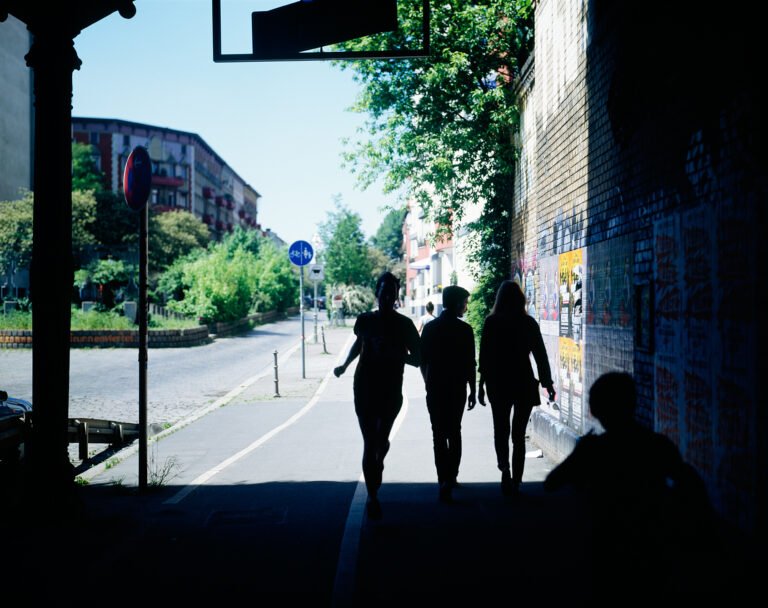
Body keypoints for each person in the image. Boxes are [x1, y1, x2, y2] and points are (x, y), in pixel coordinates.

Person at [544, 372, 719, 599]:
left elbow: (552, 483)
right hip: (652, 544)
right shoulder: (656, 444)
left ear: (596, 409)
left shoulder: (594, 450)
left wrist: (580, 452)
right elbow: (690, 482)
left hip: (605, 545)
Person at [333, 272, 421, 520]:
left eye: (392, 293)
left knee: (380, 442)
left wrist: (395, 352)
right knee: (369, 441)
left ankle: (380, 455)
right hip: (364, 386)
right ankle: (373, 496)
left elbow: (418, 358)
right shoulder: (365, 320)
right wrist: (344, 365)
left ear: (396, 296)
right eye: (384, 293)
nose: (387, 297)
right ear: (377, 293)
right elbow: (358, 344)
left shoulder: (404, 325)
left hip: (391, 389)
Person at [478, 280, 555, 496]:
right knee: (518, 434)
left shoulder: (492, 322)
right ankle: (517, 480)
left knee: (500, 431)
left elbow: (484, 357)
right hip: (523, 381)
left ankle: (505, 471)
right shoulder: (528, 323)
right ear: (520, 299)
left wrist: (481, 386)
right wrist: (547, 382)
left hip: (498, 382)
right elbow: (540, 356)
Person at [419, 285, 476, 503]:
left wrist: (427, 380)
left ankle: (443, 478)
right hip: (457, 388)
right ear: (455, 303)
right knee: (455, 431)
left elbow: (421, 360)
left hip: (435, 387)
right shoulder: (465, 330)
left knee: (438, 434)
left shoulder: (431, 328)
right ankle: (452, 476)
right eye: (464, 302)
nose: (466, 306)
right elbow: (470, 363)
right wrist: (472, 389)